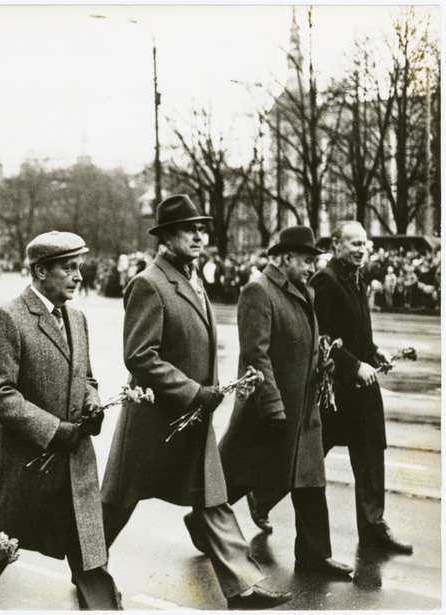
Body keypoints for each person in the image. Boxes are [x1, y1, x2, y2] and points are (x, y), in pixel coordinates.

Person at [101, 195, 291, 610]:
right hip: (153, 422)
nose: (200, 236)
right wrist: (192, 391)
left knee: (213, 499)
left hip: (192, 416)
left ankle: (241, 588)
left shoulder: (193, 278)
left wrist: (210, 392)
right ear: (167, 237)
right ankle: (86, 567)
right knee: (117, 503)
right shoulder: (149, 283)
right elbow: (140, 356)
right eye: (191, 230)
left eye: (203, 229)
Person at [0, 231, 121, 610]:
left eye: (79, 267)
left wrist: (92, 404)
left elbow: (86, 377)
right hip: (24, 468)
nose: (78, 276)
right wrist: (53, 430)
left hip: (74, 465)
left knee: (92, 562)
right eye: (68, 268)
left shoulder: (77, 318)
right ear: (40, 271)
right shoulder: (6, 317)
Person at [218, 226, 353, 580]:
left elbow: (304, 339)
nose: (312, 267)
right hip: (270, 410)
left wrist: (321, 359)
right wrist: (273, 405)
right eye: (307, 260)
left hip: (303, 408)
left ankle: (314, 556)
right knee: (235, 477)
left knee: (310, 481)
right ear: (286, 258)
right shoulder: (257, 290)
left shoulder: (301, 290)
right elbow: (255, 354)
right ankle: (206, 521)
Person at [310, 221, 412, 553]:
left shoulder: (357, 278)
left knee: (370, 452)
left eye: (363, 243)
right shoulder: (324, 281)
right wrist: (354, 365)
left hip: (361, 388)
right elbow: (321, 338)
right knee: (307, 457)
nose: (360, 249)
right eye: (353, 243)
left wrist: (374, 350)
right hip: (335, 390)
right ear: (335, 245)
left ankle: (372, 526)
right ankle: (261, 499)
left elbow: (354, 332)